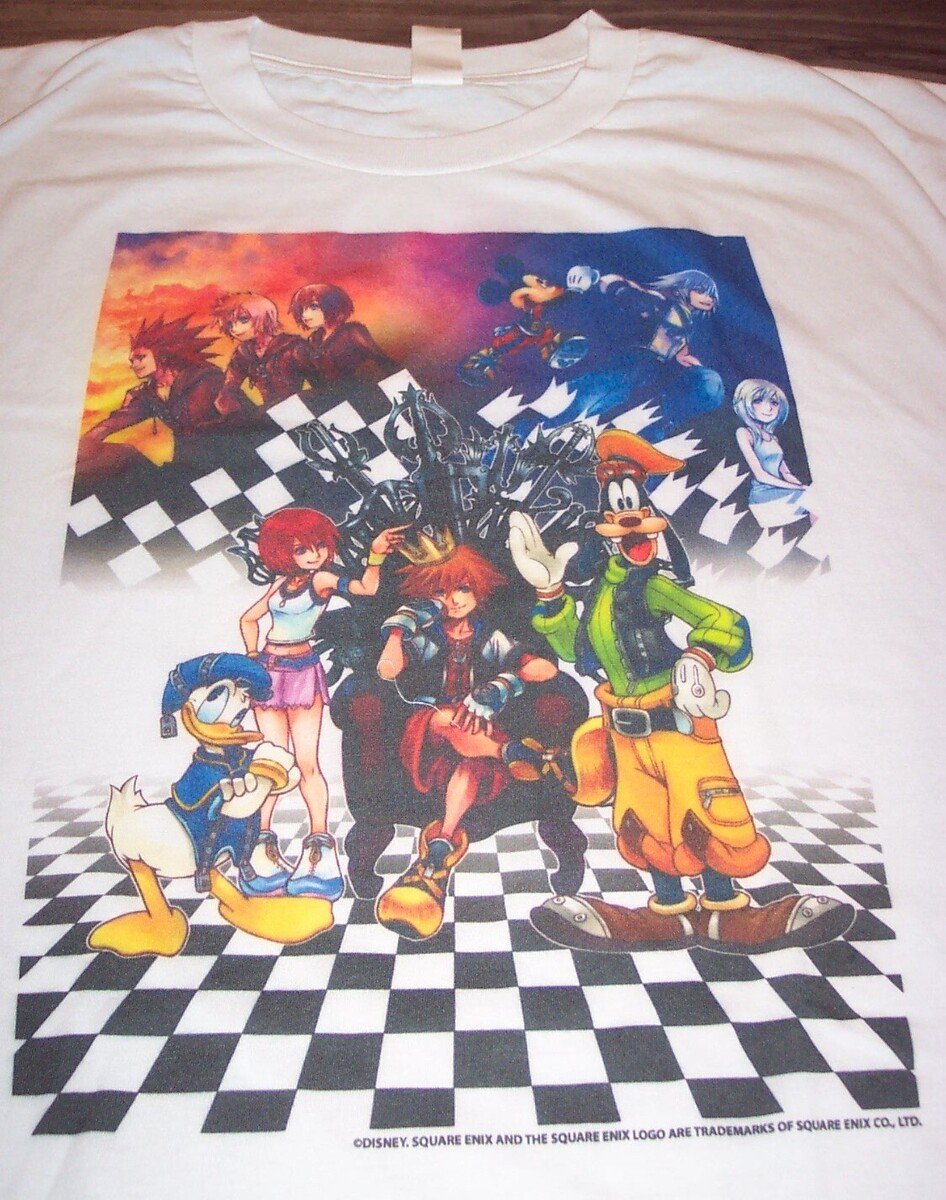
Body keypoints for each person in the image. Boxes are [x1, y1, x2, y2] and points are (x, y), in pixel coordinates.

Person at [509, 428, 854, 954]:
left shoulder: (654, 585)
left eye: (637, 508)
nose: (631, 522)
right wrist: (550, 591)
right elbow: (574, 647)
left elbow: (726, 623)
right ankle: (668, 914)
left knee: (709, 816)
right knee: (645, 823)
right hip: (624, 733)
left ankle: (725, 910)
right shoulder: (601, 593)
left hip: (680, 724)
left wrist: (700, 657)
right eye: (618, 510)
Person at [373, 531, 563, 940]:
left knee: (471, 769)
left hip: (476, 733)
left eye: (462, 588)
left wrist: (499, 686)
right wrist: (399, 629)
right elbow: (387, 670)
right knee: (447, 716)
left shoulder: (488, 635)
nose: (454, 599)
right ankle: (513, 752)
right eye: (441, 591)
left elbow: (545, 669)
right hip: (429, 729)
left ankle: (441, 844)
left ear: (478, 589)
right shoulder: (425, 637)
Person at [239, 507, 407, 899]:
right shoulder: (282, 583)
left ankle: (318, 846)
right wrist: (250, 658)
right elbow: (248, 619)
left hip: (301, 671)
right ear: (283, 552)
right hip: (268, 673)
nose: (314, 554)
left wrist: (375, 555)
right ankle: (261, 845)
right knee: (271, 762)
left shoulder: (322, 579)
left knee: (306, 763)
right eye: (302, 549)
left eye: (318, 546)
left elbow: (366, 589)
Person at [567, 265, 724, 437]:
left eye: (711, 296)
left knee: (617, 409)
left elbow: (678, 349)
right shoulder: (663, 303)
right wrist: (597, 278)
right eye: (701, 291)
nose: (708, 299)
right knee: (592, 398)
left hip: (652, 371)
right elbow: (624, 288)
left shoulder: (687, 321)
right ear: (683, 288)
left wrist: (689, 362)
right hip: (635, 360)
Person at [76, 314, 223, 478]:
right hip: (185, 467)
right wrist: (83, 446)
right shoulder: (150, 392)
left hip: (225, 462)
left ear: (163, 354)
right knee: (119, 455)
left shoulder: (204, 377)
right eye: (132, 361)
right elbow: (109, 426)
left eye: (140, 357)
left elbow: (195, 422)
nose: (134, 365)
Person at [212, 291, 311, 418]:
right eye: (230, 324)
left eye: (243, 319)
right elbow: (229, 389)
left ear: (265, 318)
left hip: (299, 413)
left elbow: (321, 385)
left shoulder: (293, 346)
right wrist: (237, 415)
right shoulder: (243, 354)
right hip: (267, 416)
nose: (235, 329)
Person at [733, 378, 810, 526]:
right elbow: (760, 475)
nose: (768, 408)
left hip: (782, 490)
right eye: (758, 401)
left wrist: (803, 486)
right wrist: (799, 488)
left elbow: (786, 473)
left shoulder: (773, 438)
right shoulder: (744, 433)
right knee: (814, 501)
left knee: (816, 499)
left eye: (774, 402)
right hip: (763, 495)